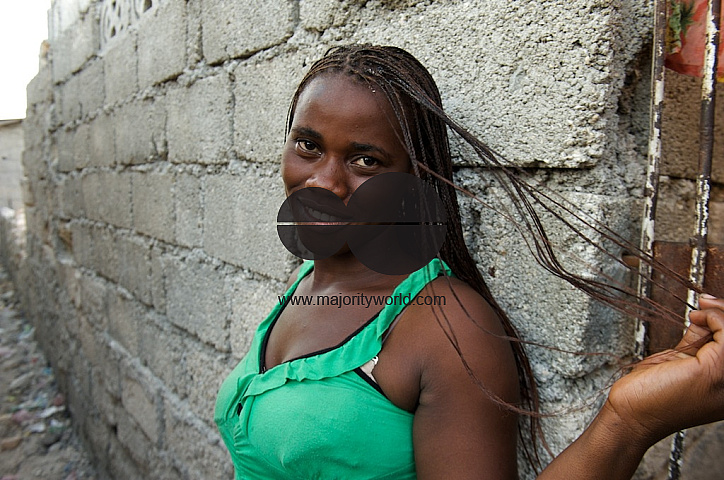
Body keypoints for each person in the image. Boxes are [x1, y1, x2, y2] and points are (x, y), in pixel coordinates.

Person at [214, 45, 724, 479]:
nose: (324, 181)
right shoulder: (311, 276)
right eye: (308, 145)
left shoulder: (445, 324)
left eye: (365, 159)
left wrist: (628, 421)